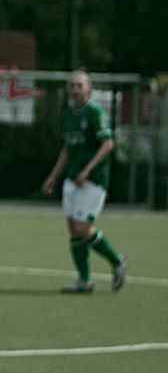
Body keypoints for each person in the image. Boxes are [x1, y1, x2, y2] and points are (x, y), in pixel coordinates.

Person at [42, 70, 127, 293]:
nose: (75, 89)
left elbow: (107, 144)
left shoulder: (95, 112)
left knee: (83, 228)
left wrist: (87, 170)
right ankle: (84, 280)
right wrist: (53, 176)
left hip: (93, 180)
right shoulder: (69, 114)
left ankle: (117, 260)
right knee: (73, 229)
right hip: (72, 178)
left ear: (89, 89)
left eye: (79, 85)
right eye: (71, 85)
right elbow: (68, 148)